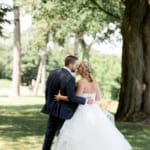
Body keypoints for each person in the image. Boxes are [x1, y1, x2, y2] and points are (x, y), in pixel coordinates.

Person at [53, 62, 132, 150]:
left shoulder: (81, 82)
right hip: (94, 109)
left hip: (83, 110)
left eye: (79, 67)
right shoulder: (95, 82)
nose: (77, 69)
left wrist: (61, 97)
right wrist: (90, 98)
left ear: (83, 70)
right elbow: (98, 98)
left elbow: (76, 98)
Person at [41, 55, 93, 150]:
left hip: (52, 109)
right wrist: (85, 100)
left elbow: (47, 91)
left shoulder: (53, 73)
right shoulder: (70, 78)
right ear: (70, 64)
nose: (77, 67)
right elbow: (72, 97)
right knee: (62, 137)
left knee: (49, 135)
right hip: (64, 112)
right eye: (76, 65)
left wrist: (49, 103)